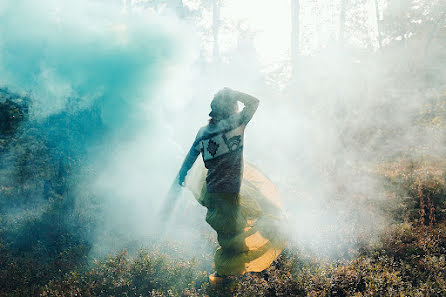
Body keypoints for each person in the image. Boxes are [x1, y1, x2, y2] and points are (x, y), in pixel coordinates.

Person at [177, 87, 285, 284]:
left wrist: (182, 176)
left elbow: (191, 157)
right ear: (231, 107)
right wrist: (233, 93)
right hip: (230, 192)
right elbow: (254, 102)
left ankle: (231, 278)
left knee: (231, 235)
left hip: (214, 193)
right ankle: (227, 280)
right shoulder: (236, 122)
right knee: (234, 240)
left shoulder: (204, 132)